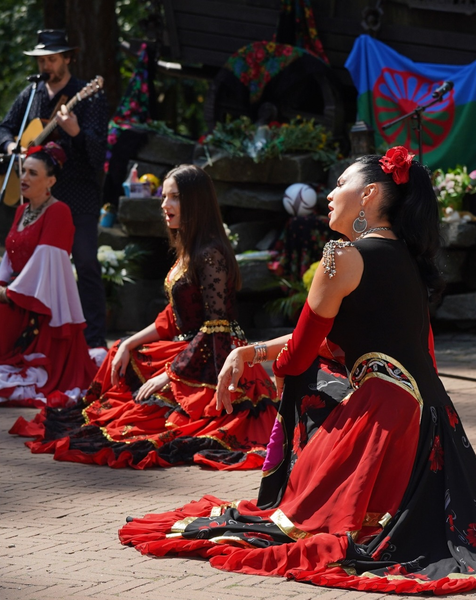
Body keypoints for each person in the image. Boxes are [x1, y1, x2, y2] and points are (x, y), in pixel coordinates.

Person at [118, 148, 476, 595]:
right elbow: (341, 340)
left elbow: (303, 353)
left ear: (369, 194)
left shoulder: (338, 255)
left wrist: (261, 361)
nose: (329, 193)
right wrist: (254, 352)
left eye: (341, 182)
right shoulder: (407, 259)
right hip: (434, 419)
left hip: (383, 420)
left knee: (309, 525)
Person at [11, 164, 279, 470]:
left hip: (213, 357)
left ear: (196, 201)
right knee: (120, 352)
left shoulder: (210, 254)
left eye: (174, 197)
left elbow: (216, 327)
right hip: (191, 345)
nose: (165, 205)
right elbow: (174, 317)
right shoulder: (190, 249)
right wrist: (128, 342)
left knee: (147, 417)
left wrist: (170, 373)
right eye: (164, 197)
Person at [0, 29, 109, 349]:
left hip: (78, 193)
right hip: (36, 197)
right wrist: (10, 147)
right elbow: (6, 127)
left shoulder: (90, 96)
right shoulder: (32, 93)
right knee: (29, 265)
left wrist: (75, 132)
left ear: (68, 59)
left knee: (86, 261)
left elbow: (98, 154)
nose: (46, 65)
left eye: (52, 59)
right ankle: (33, 337)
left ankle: (94, 340)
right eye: (42, 60)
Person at [0, 143, 98, 407]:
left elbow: (46, 265)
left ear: (50, 181)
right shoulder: (21, 210)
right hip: (17, 292)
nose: (24, 178)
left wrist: (8, 293)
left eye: (32, 173)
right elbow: (10, 254)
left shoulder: (59, 211)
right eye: (23, 171)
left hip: (40, 305)